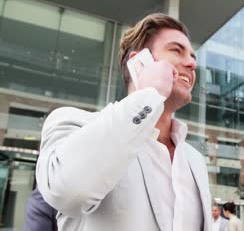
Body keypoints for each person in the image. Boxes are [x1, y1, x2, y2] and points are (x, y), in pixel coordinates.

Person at [35, 13, 211, 231]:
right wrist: (149, 95)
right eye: (177, 50)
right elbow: (68, 192)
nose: (192, 63)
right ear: (139, 62)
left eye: (193, 56)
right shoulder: (73, 123)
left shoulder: (195, 161)